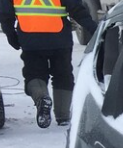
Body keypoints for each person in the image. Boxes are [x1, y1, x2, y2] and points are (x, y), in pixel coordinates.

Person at [1, 0, 98, 128]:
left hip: (30, 38)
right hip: (60, 38)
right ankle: (63, 116)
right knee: (63, 76)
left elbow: (5, 12)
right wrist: (93, 28)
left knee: (34, 75)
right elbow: (76, 8)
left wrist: (10, 34)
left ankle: (42, 98)